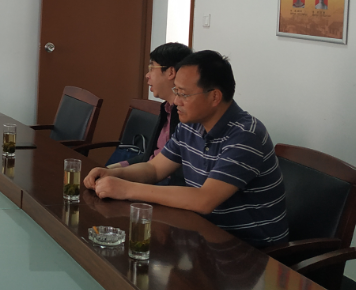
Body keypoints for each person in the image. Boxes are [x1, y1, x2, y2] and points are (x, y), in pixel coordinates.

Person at [83, 51, 288, 248]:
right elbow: (154, 169)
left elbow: (204, 200)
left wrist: (126, 189)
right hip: (204, 235)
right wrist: (113, 173)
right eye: (176, 91)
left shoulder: (246, 135)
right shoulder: (190, 125)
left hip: (251, 250)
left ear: (214, 97)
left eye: (184, 94)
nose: (176, 101)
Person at [107, 43, 192, 178]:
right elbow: (150, 159)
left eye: (152, 68)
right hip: (149, 174)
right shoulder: (166, 109)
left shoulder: (187, 117)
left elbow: (168, 172)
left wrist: (117, 176)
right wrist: (109, 170)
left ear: (170, 72)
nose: (147, 75)